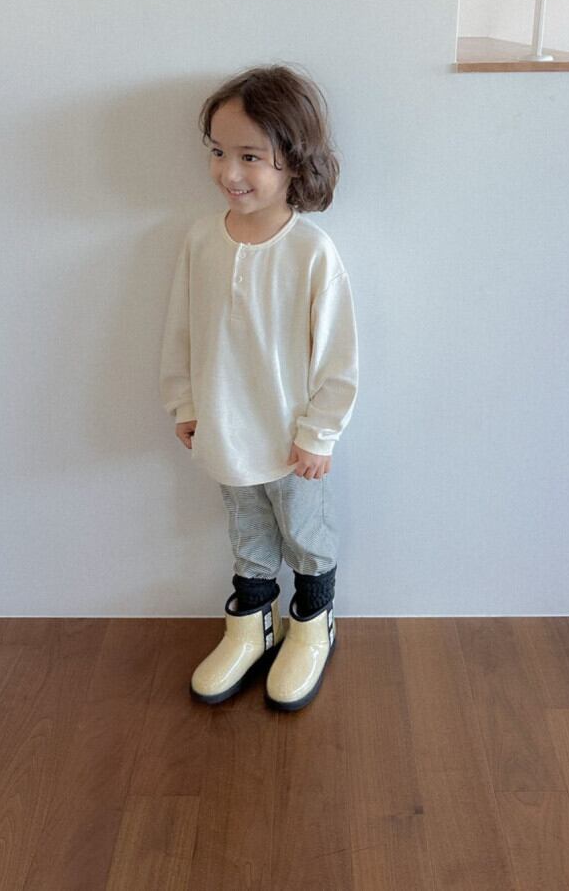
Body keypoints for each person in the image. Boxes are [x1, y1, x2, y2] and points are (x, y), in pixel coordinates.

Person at [160, 64, 359, 711]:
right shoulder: (201, 240)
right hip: (225, 429)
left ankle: (312, 625)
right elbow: (181, 331)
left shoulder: (312, 253)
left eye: (250, 156)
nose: (229, 172)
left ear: (293, 160)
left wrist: (320, 434)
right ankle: (251, 626)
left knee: (305, 533)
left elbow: (338, 357)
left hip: (292, 441)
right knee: (248, 534)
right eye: (218, 152)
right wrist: (185, 403)